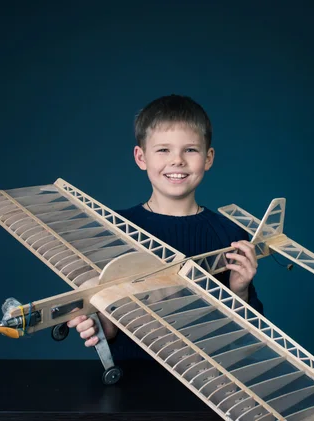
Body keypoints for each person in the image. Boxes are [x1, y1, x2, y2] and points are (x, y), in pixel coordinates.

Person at [67, 94, 263, 360]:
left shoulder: (230, 234)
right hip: (131, 380)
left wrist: (239, 290)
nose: (177, 160)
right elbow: (111, 323)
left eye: (190, 150)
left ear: (208, 158)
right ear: (141, 157)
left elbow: (246, 335)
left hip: (210, 383)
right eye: (163, 150)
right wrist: (100, 327)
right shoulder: (111, 228)